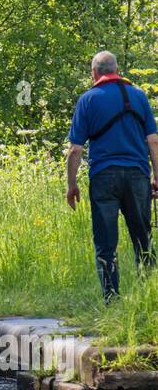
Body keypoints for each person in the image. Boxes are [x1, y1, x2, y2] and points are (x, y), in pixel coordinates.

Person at [66, 51, 158, 301]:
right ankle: (149, 298)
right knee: (143, 240)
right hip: (138, 176)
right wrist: (157, 177)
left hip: (104, 177)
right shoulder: (139, 96)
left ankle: (112, 300)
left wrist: (71, 185)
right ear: (117, 69)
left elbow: (75, 149)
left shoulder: (88, 100)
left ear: (95, 72)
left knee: (106, 243)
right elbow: (153, 141)